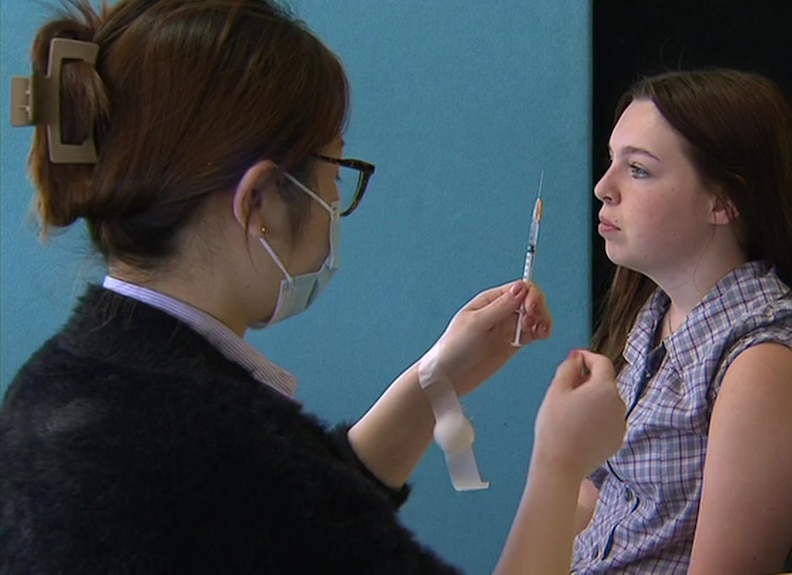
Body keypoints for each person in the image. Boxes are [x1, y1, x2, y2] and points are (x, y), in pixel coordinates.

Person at [0, 1, 627, 573]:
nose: (334, 199)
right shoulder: (219, 454)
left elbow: (304, 514)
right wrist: (560, 464)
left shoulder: (58, 384)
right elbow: (287, 503)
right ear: (261, 201)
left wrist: (440, 376)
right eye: (334, 169)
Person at [572, 68, 792, 574]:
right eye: (611, 162)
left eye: (638, 170)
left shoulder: (766, 363)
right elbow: (599, 501)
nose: (603, 188)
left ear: (724, 200)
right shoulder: (650, 320)